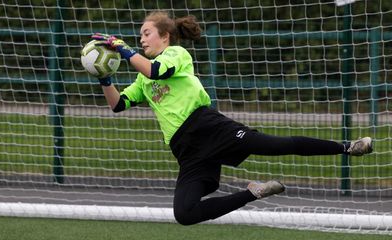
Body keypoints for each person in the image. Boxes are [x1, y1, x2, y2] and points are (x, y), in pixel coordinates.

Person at [91, 11, 373, 226]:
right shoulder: (142, 79)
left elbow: (156, 71)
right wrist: (105, 77)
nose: (141, 39)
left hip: (208, 128)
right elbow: (118, 104)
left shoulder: (176, 54)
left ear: (165, 36)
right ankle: (253, 193)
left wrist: (124, 49)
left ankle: (347, 147)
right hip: (187, 151)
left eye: (147, 33)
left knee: (275, 145)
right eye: (139, 36)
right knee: (184, 214)